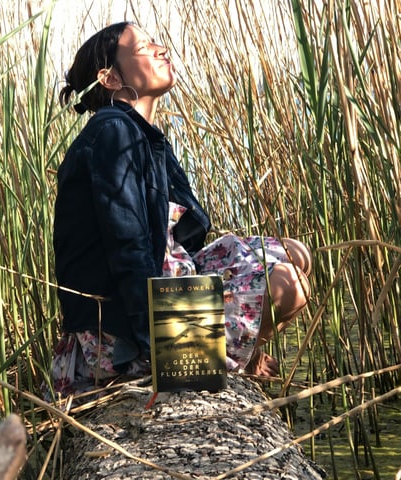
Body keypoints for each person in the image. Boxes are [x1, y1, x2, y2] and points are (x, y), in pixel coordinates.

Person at [51, 21, 311, 397]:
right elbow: (129, 248)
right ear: (108, 78)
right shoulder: (113, 134)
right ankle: (227, 358)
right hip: (116, 335)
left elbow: (179, 238)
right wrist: (155, 345)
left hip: (158, 292)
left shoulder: (142, 134)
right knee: (291, 286)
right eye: (143, 47)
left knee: (294, 253)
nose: (160, 49)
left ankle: (243, 351)